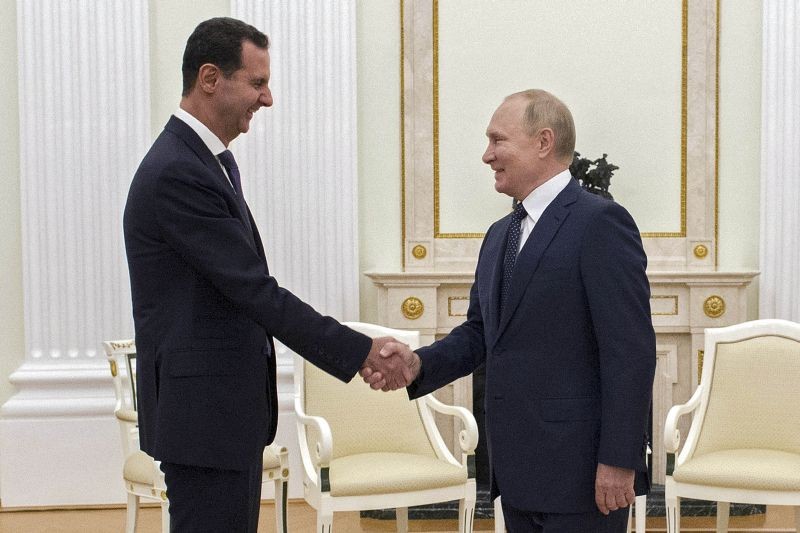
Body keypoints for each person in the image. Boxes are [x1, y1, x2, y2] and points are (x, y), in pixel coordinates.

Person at [123, 17, 411, 532]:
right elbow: (254, 291)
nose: (268, 98)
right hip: (204, 421)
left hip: (219, 419)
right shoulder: (178, 172)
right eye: (257, 83)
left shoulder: (203, 162)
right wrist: (360, 351)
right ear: (210, 78)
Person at [364, 89, 656, 532]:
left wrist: (618, 460)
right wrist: (419, 362)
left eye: (498, 140)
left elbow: (630, 352)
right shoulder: (500, 234)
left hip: (583, 476)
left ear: (543, 141)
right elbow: (481, 333)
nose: (487, 155)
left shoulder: (600, 223)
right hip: (516, 472)